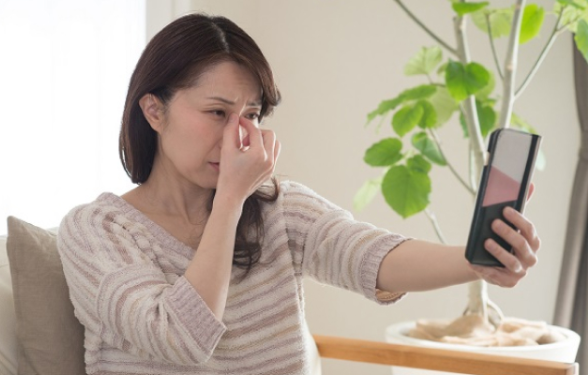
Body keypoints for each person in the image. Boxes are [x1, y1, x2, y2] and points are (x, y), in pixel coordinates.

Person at [57, 13, 540, 375]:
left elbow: (368, 254)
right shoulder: (95, 231)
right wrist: (229, 200)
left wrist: (477, 261)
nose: (240, 136)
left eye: (253, 114)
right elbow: (180, 337)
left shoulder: (275, 206)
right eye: (219, 113)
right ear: (153, 111)